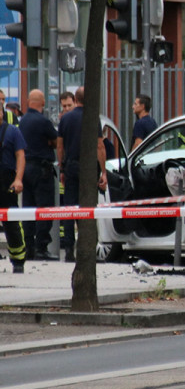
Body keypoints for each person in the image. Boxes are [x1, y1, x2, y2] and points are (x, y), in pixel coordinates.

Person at [57, 87, 107, 263]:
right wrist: (104, 172)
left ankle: (69, 250)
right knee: (88, 210)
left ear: (76, 99)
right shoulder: (92, 118)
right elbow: (100, 146)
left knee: (70, 208)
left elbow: (60, 146)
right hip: (88, 169)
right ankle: (87, 250)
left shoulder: (65, 119)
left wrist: (62, 168)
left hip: (70, 167)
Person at [19, 89, 58, 260]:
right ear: (43, 103)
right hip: (42, 170)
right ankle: (42, 247)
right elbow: (55, 142)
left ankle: (29, 247)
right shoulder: (44, 121)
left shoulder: (23, 121)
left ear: (28, 102)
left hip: (25, 168)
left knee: (28, 209)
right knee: (44, 209)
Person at [0, 107, 27, 273]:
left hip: (6, 182)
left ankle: (18, 260)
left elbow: (20, 156)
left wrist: (18, 179)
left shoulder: (12, 132)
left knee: (11, 222)